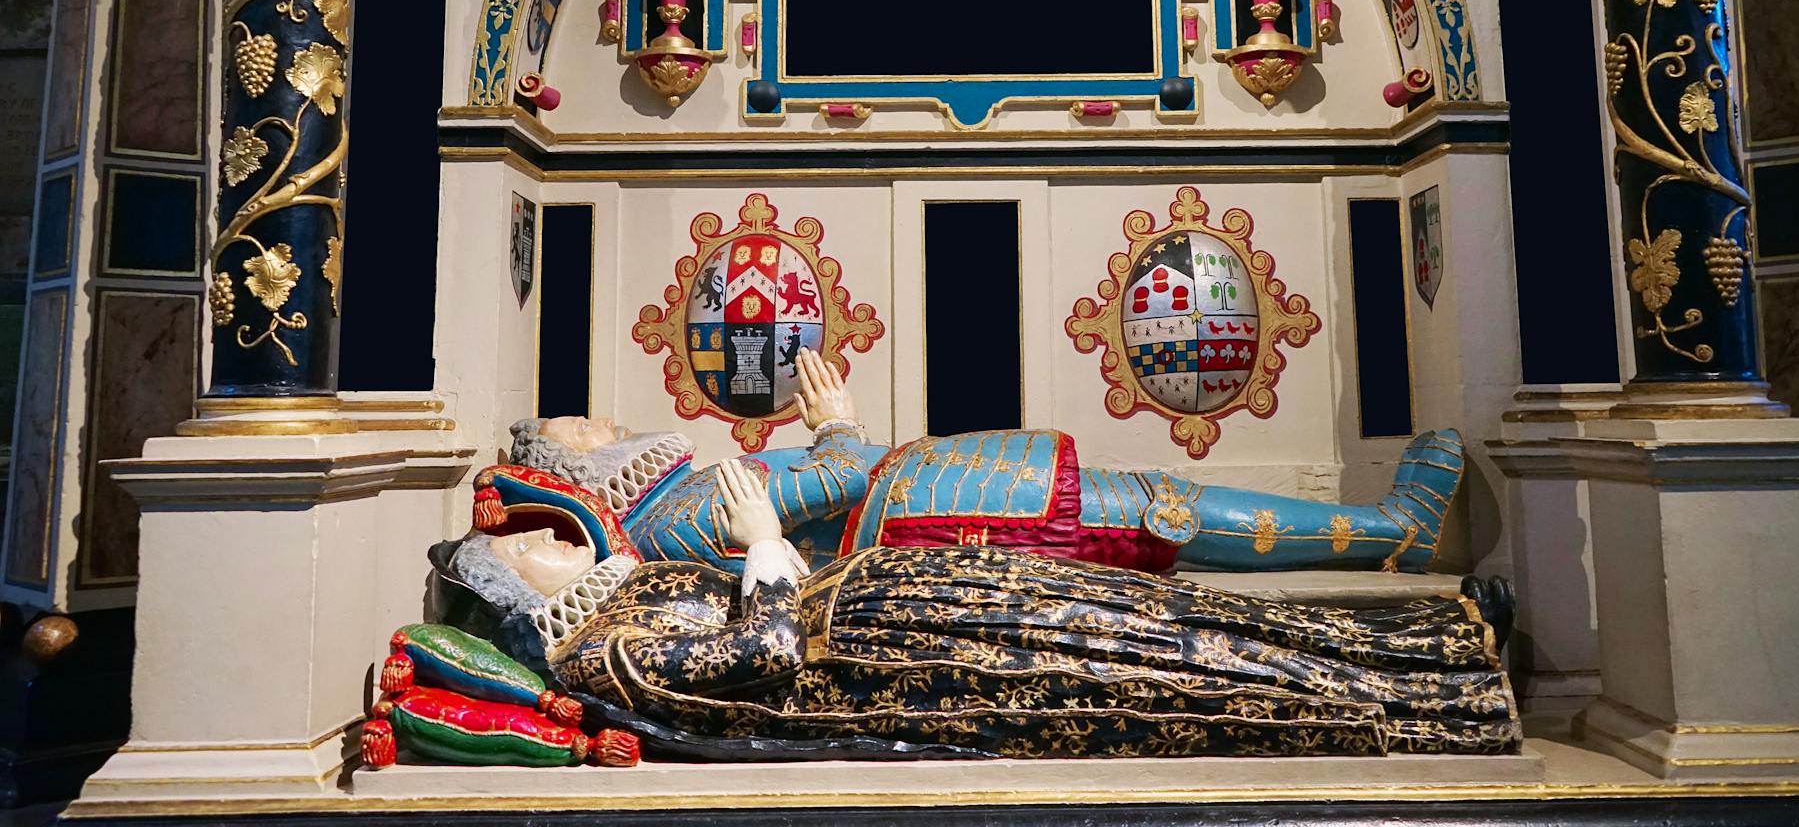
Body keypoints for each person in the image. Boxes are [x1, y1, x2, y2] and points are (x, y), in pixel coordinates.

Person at [442, 457, 1518, 761]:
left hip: (927, 603)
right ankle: (1447, 693)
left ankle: (1432, 637)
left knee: (1188, 616)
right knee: (1182, 662)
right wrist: (767, 538)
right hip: (920, 654)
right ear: (516, 603)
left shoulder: (620, 591)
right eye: (521, 548)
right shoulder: (598, 650)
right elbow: (760, 657)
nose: (545, 537)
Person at [494, 350, 1466, 579]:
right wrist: (837, 421)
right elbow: (831, 482)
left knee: (1154, 513)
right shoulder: (673, 511)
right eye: (584, 424)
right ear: (581, 463)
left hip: (933, 502)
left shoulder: (671, 502)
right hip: (938, 510)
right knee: (1156, 512)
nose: (605, 418)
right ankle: (1392, 531)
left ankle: (1384, 531)